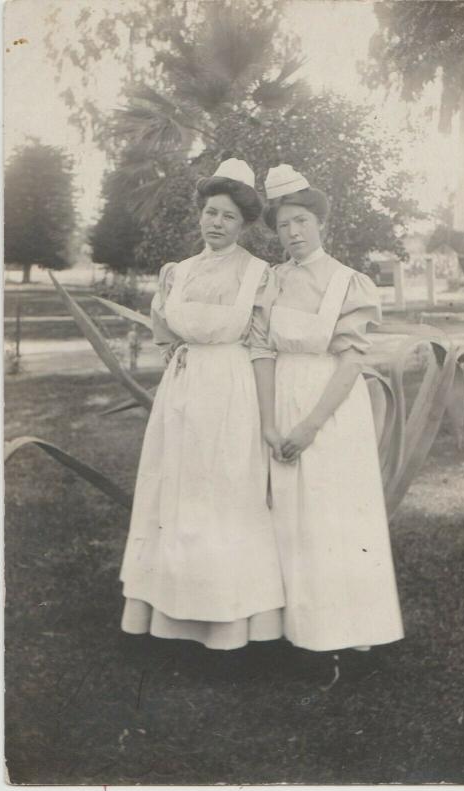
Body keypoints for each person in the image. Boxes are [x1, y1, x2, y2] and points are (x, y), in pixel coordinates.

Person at [119, 158, 285, 650]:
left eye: (228, 217)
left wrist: (263, 411)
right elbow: (164, 332)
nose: (216, 223)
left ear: (244, 224)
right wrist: (182, 363)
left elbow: (261, 345)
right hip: (183, 392)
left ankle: (228, 624)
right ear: (200, 214)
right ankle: (172, 617)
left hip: (231, 392)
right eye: (211, 212)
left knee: (227, 497)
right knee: (173, 496)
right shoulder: (178, 272)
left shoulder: (258, 274)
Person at [262, 164, 404, 653]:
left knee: (330, 514)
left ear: (320, 223)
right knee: (285, 511)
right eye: (283, 225)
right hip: (281, 393)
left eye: (300, 220)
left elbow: (350, 362)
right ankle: (289, 630)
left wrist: (311, 424)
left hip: (330, 404)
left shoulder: (349, 282)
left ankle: (345, 633)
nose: (293, 232)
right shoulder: (272, 280)